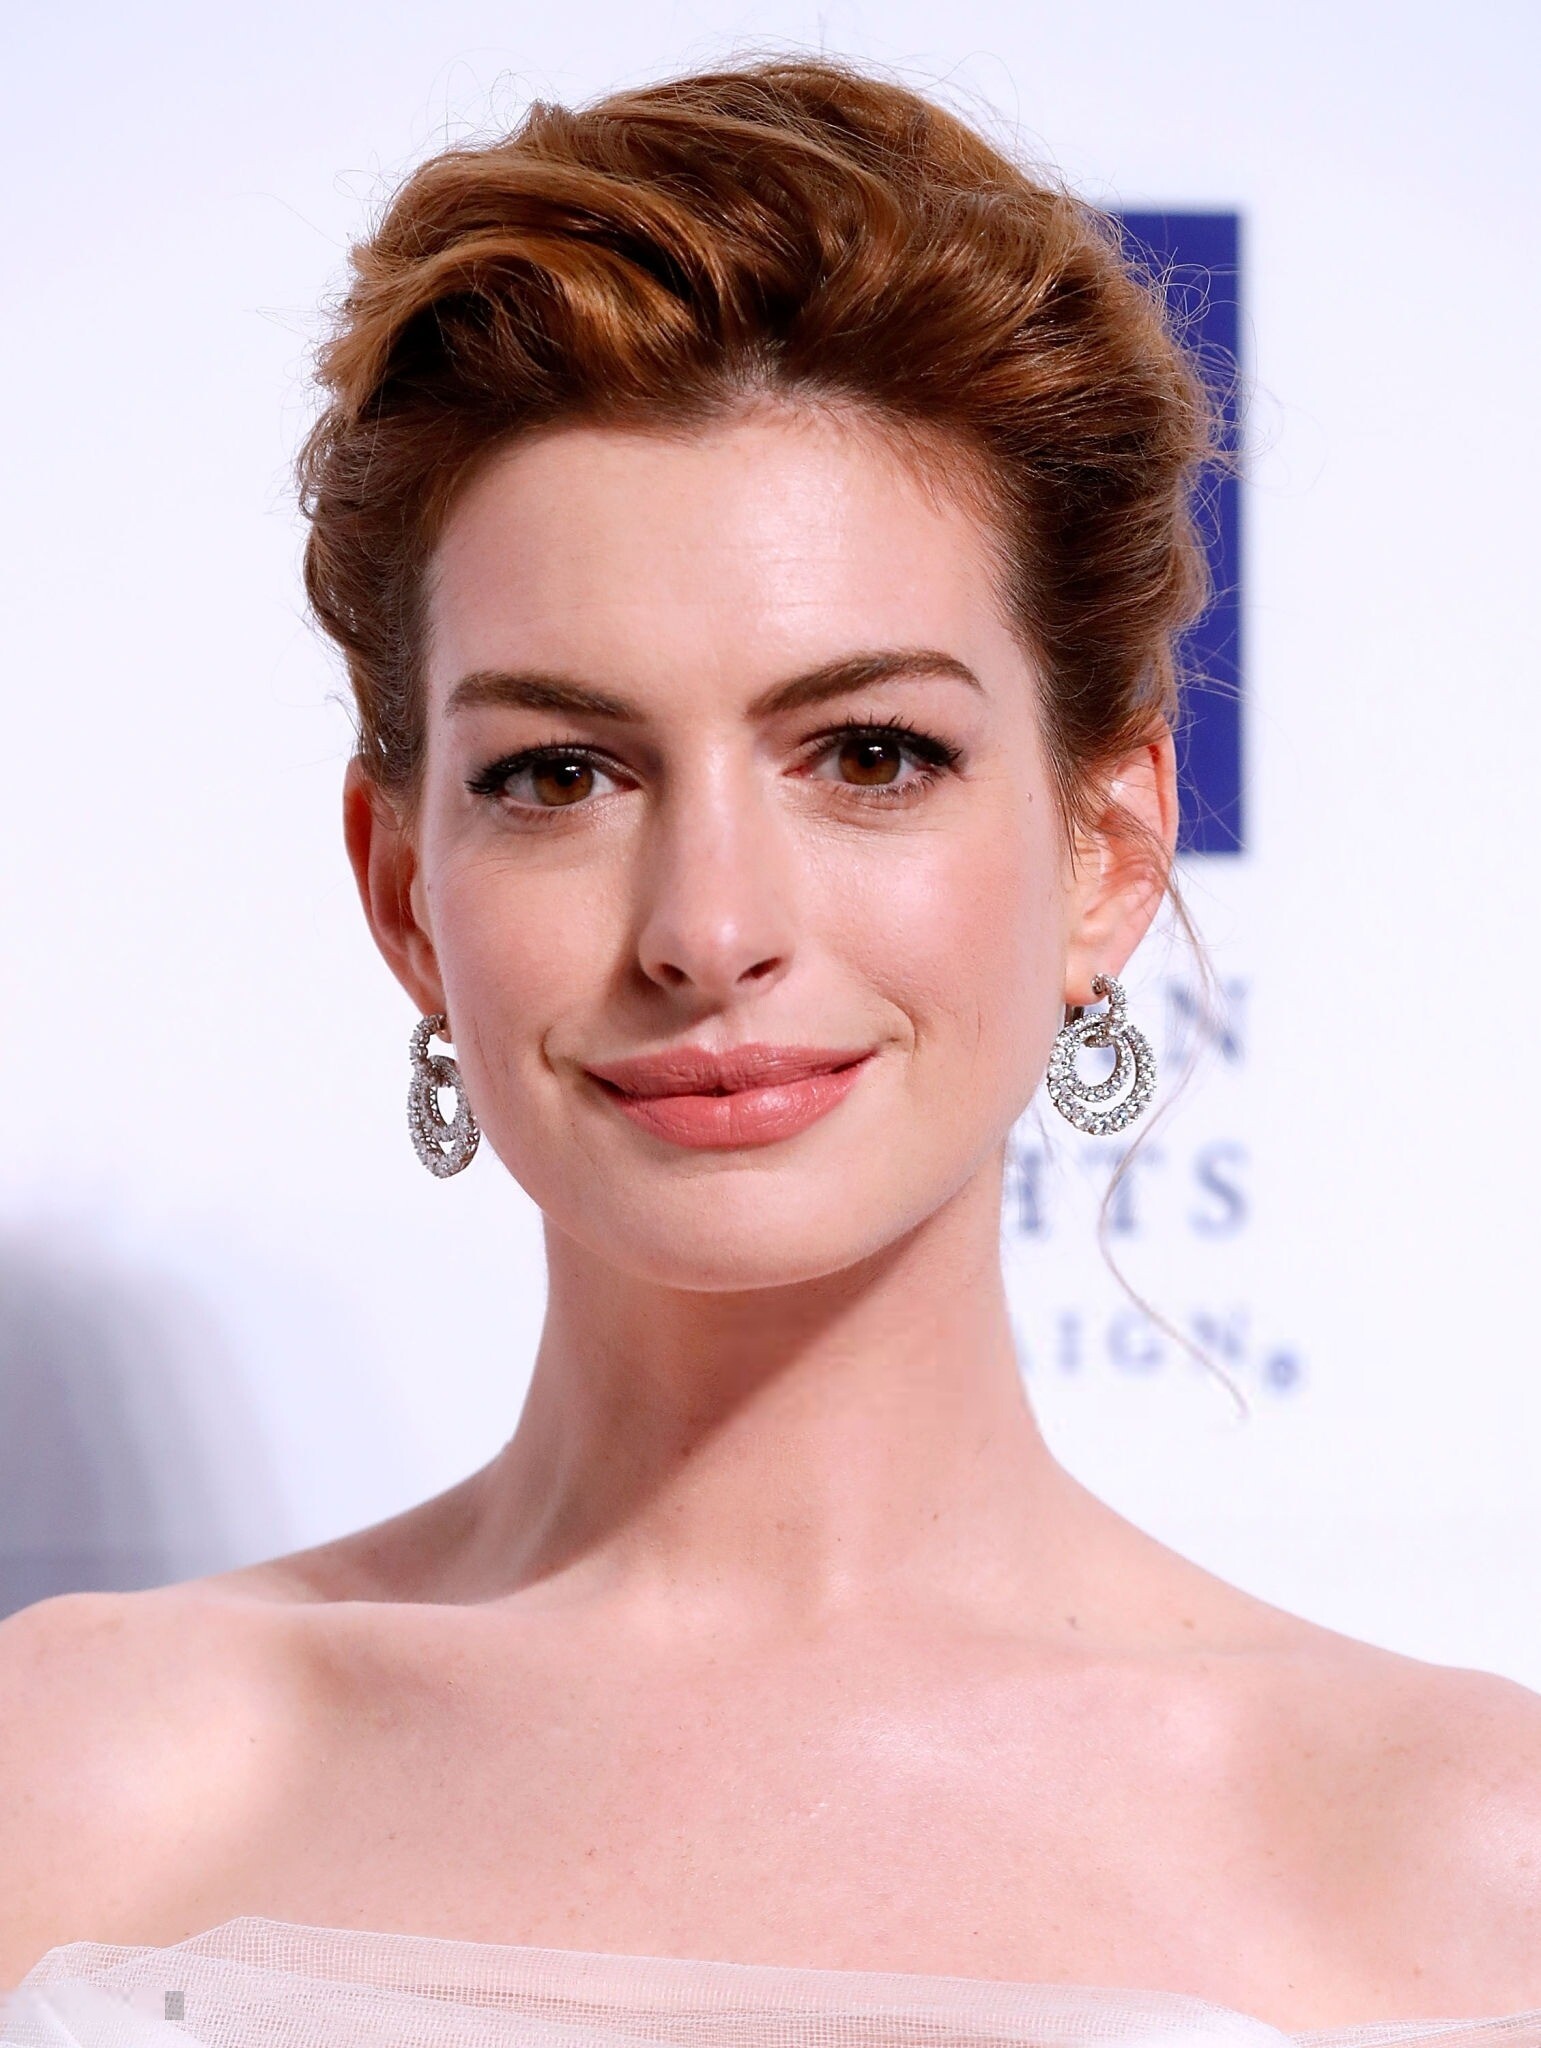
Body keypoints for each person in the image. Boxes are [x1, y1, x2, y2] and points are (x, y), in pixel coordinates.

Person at [3, 53, 1539, 2035]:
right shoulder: (72, 1778)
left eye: (871, 754)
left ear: (1105, 849)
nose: (709, 927)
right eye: (560, 772)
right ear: (403, 893)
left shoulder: (1461, 1862)